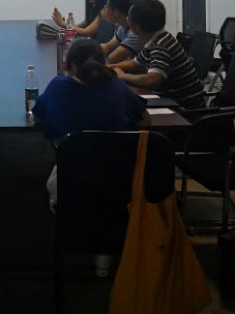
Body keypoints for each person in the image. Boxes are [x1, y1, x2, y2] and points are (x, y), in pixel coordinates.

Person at [33, 38, 149, 277]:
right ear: (104, 63)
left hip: (70, 187)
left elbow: (39, 117)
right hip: (120, 186)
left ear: (68, 65)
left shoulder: (58, 87)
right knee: (106, 197)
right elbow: (144, 120)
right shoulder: (117, 87)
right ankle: (104, 261)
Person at [113, 0, 205, 109]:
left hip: (184, 111)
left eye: (128, 17)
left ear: (137, 27)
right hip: (170, 103)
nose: (127, 19)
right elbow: (134, 63)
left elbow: (153, 80)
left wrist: (123, 76)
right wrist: (108, 68)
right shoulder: (158, 38)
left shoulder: (161, 46)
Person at [99, 0, 146, 64]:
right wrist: (87, 49)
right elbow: (108, 46)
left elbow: (111, 60)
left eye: (107, 7)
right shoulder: (123, 25)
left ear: (116, 12)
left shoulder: (136, 32)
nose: (105, 10)